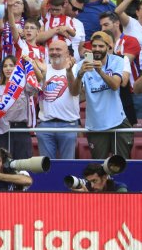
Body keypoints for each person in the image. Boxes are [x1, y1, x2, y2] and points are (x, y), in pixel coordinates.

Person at [68, 31, 133, 159]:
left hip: (117, 121)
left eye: (101, 46)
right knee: (99, 167)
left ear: (109, 47)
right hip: (95, 124)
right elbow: (74, 92)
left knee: (121, 164)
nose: (97, 49)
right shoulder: (82, 64)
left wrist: (100, 71)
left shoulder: (117, 60)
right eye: (94, 46)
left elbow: (115, 85)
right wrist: (79, 74)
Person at [36, 40, 80, 159]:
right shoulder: (42, 68)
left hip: (68, 124)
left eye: (58, 49)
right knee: (45, 167)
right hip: (46, 124)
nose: (54, 52)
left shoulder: (76, 68)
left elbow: (76, 92)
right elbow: (39, 95)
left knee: (68, 165)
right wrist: (44, 74)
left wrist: (69, 72)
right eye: (51, 49)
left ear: (67, 53)